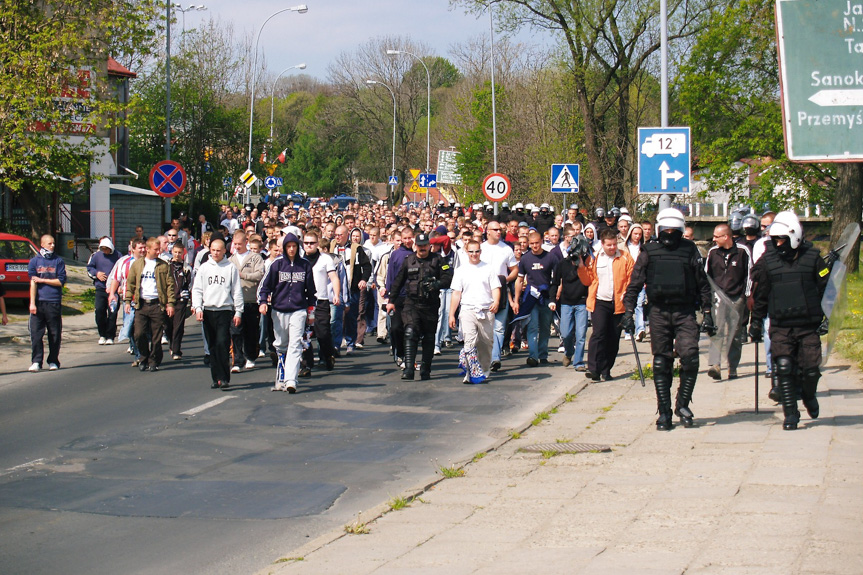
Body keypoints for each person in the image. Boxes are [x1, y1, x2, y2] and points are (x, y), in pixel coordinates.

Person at [622, 208, 713, 430]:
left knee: (691, 357)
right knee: (661, 362)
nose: (670, 233)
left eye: (674, 229)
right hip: (659, 312)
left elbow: (702, 283)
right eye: (667, 229)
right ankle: (664, 412)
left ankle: (682, 403)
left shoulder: (690, 250)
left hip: (684, 312)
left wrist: (708, 312)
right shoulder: (649, 251)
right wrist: (628, 312)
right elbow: (635, 283)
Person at [749, 211, 830, 431]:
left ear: (794, 236)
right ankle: (790, 414)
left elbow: (827, 289)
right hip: (781, 324)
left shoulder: (813, 257)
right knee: (783, 367)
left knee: (811, 369)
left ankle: (809, 395)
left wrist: (828, 317)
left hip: (807, 325)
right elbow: (761, 293)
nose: (777, 243)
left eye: (781, 239)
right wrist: (755, 322)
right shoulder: (768, 260)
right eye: (774, 239)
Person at [387, 233, 454, 380]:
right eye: (420, 245)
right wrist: (391, 301)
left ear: (429, 245)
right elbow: (398, 281)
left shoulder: (438, 260)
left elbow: (448, 277)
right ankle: (409, 369)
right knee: (410, 332)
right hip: (412, 304)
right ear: (415, 245)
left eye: (425, 245)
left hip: (430, 305)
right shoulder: (408, 261)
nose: (422, 248)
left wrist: (436, 284)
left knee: (429, 338)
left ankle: (426, 369)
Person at [257, 233, 316, 393]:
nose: (291, 249)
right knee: (282, 344)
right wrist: (263, 302)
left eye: (294, 246)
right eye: (288, 246)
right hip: (279, 309)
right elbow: (265, 286)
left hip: (299, 309)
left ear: (298, 247)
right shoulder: (276, 265)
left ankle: (292, 380)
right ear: (284, 248)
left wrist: (311, 312)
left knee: (296, 343)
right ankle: (281, 376)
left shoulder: (304, 265)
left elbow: (311, 291)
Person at [577, 228, 635, 381]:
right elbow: (587, 280)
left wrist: (627, 293)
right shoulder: (594, 258)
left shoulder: (625, 257)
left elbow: (632, 278)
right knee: (598, 334)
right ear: (602, 244)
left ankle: (606, 369)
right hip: (600, 302)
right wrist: (581, 267)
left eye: (614, 244)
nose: (612, 247)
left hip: (618, 303)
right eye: (609, 245)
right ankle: (593, 369)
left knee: (613, 338)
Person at [192, 238, 243, 389]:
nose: (215, 253)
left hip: (225, 310)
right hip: (208, 310)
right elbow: (197, 289)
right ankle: (216, 378)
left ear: (224, 251)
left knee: (223, 343)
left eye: (218, 250)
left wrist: (238, 311)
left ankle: (224, 377)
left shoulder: (230, 268)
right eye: (213, 250)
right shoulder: (204, 268)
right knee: (212, 346)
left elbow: (236, 290)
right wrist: (198, 307)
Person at [704, 223, 752, 380]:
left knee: (735, 334)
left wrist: (745, 295)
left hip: (736, 297)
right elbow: (707, 275)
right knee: (716, 331)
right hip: (718, 297)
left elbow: (749, 274)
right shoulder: (712, 253)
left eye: (716, 236)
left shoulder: (742, 252)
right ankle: (715, 365)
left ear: (726, 237)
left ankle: (733, 367)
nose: (714, 239)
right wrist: (708, 295)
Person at [448, 240, 501, 382]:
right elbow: (456, 293)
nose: (474, 254)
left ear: (480, 252)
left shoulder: (488, 269)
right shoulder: (460, 271)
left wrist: (496, 301)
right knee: (469, 342)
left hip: (486, 309)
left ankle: (484, 369)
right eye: (471, 251)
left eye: (476, 251)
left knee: (486, 342)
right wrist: (452, 314)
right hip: (467, 309)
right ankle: (471, 372)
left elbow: (495, 288)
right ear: (466, 252)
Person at [124, 237, 176, 372]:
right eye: (155, 249)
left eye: (159, 249)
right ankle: (143, 357)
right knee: (139, 334)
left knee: (156, 336)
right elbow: (130, 284)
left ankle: (154, 360)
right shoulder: (137, 265)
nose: (158, 252)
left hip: (157, 304)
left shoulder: (163, 265)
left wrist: (170, 303)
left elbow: (170, 286)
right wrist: (128, 301)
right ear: (147, 249)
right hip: (141, 304)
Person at [513, 231, 556, 367]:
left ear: (542, 241)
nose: (535, 246)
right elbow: (519, 280)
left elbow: (556, 279)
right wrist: (516, 300)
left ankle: (543, 354)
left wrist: (555, 296)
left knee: (545, 327)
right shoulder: (525, 259)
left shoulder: (550, 257)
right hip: (531, 298)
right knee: (532, 327)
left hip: (546, 297)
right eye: (532, 244)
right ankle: (533, 356)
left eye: (537, 243)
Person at [480, 220, 518, 371]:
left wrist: (504, 280)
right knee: (485, 327)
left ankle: (495, 358)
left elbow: (514, 269)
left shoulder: (506, 249)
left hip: (501, 291)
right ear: (487, 231)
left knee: (499, 326)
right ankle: (486, 356)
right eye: (494, 229)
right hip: (484, 291)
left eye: (499, 229)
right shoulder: (481, 249)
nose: (498, 232)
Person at [301, 229, 340, 375]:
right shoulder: (299, 259)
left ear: (317, 243)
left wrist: (336, 294)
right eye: (306, 243)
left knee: (322, 333)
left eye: (312, 243)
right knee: (304, 335)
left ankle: (328, 355)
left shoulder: (325, 259)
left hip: (321, 301)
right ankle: (306, 365)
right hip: (303, 302)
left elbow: (334, 278)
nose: (309, 246)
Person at [550, 236, 590, 371]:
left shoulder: (587, 262)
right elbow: (554, 283)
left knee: (581, 335)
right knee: (566, 333)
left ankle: (578, 362)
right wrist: (552, 300)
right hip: (566, 302)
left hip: (582, 303)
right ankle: (568, 352)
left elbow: (590, 281)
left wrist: (581, 265)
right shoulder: (562, 264)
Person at [28, 234, 66, 372]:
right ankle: (36, 361)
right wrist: (32, 303)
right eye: (50, 243)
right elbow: (33, 282)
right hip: (39, 302)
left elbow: (60, 281)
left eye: (53, 243)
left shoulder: (58, 261)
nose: (53, 246)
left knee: (54, 333)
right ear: (42, 244)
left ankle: (53, 360)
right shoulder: (34, 262)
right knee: (36, 333)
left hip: (53, 301)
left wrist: (43, 280)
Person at [229, 230, 265, 372]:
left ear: (246, 243)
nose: (237, 246)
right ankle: (238, 360)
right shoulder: (231, 260)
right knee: (236, 331)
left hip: (251, 299)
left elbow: (260, 274)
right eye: (235, 244)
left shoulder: (255, 258)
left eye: (240, 244)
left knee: (251, 330)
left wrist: (242, 275)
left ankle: (250, 356)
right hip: (235, 301)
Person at [86, 237, 121, 345]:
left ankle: (110, 335)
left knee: (112, 313)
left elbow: (121, 270)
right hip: (100, 288)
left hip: (113, 289)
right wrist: (97, 274)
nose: (105, 251)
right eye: (103, 249)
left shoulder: (118, 256)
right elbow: (89, 268)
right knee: (99, 311)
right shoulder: (96, 256)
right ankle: (102, 334)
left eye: (107, 249)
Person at [166, 243, 191, 361]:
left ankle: (176, 350)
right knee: (168, 325)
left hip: (181, 300)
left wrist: (190, 299)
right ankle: (171, 343)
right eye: (175, 252)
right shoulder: (166, 266)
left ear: (183, 253)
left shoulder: (186, 268)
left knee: (178, 325)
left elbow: (191, 284)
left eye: (180, 252)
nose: (177, 255)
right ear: (172, 252)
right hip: (168, 300)